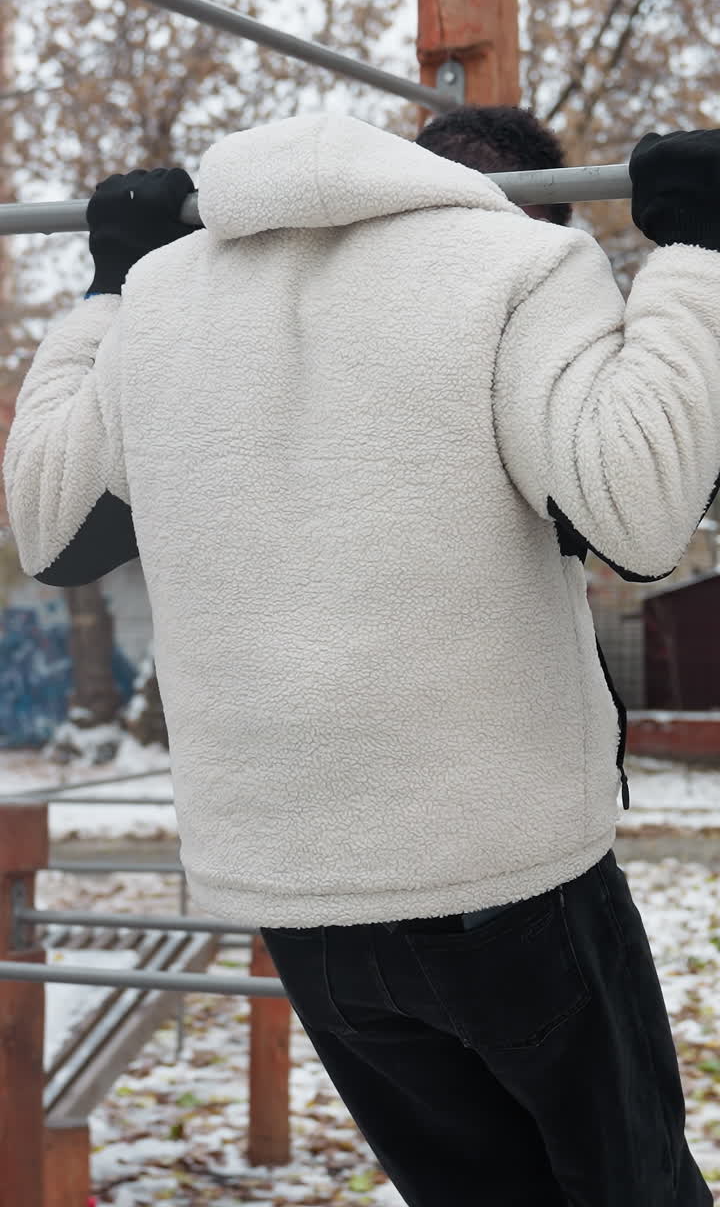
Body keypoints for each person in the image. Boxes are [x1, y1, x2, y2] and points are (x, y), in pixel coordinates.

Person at [4, 106, 719, 1206]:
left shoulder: (166, 297)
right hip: (500, 871)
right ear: (535, 196)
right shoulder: (520, 261)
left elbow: (52, 529)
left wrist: (106, 285)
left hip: (297, 890)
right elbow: (638, 510)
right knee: (635, 1189)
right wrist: (696, 256)